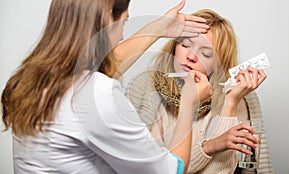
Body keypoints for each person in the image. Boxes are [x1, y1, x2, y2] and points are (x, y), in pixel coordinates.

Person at [0, 0, 212, 173]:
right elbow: (170, 170)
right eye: (124, 23)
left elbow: (103, 66)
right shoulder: (98, 93)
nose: (121, 36)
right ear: (107, 20)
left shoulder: (30, 80)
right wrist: (188, 105)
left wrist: (158, 28)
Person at [126, 9, 274, 173]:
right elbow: (154, 169)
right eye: (185, 44)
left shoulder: (239, 95)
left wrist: (230, 103)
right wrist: (209, 147)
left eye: (206, 53)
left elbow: (223, 170)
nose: (191, 56)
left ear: (219, 64)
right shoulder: (146, 89)